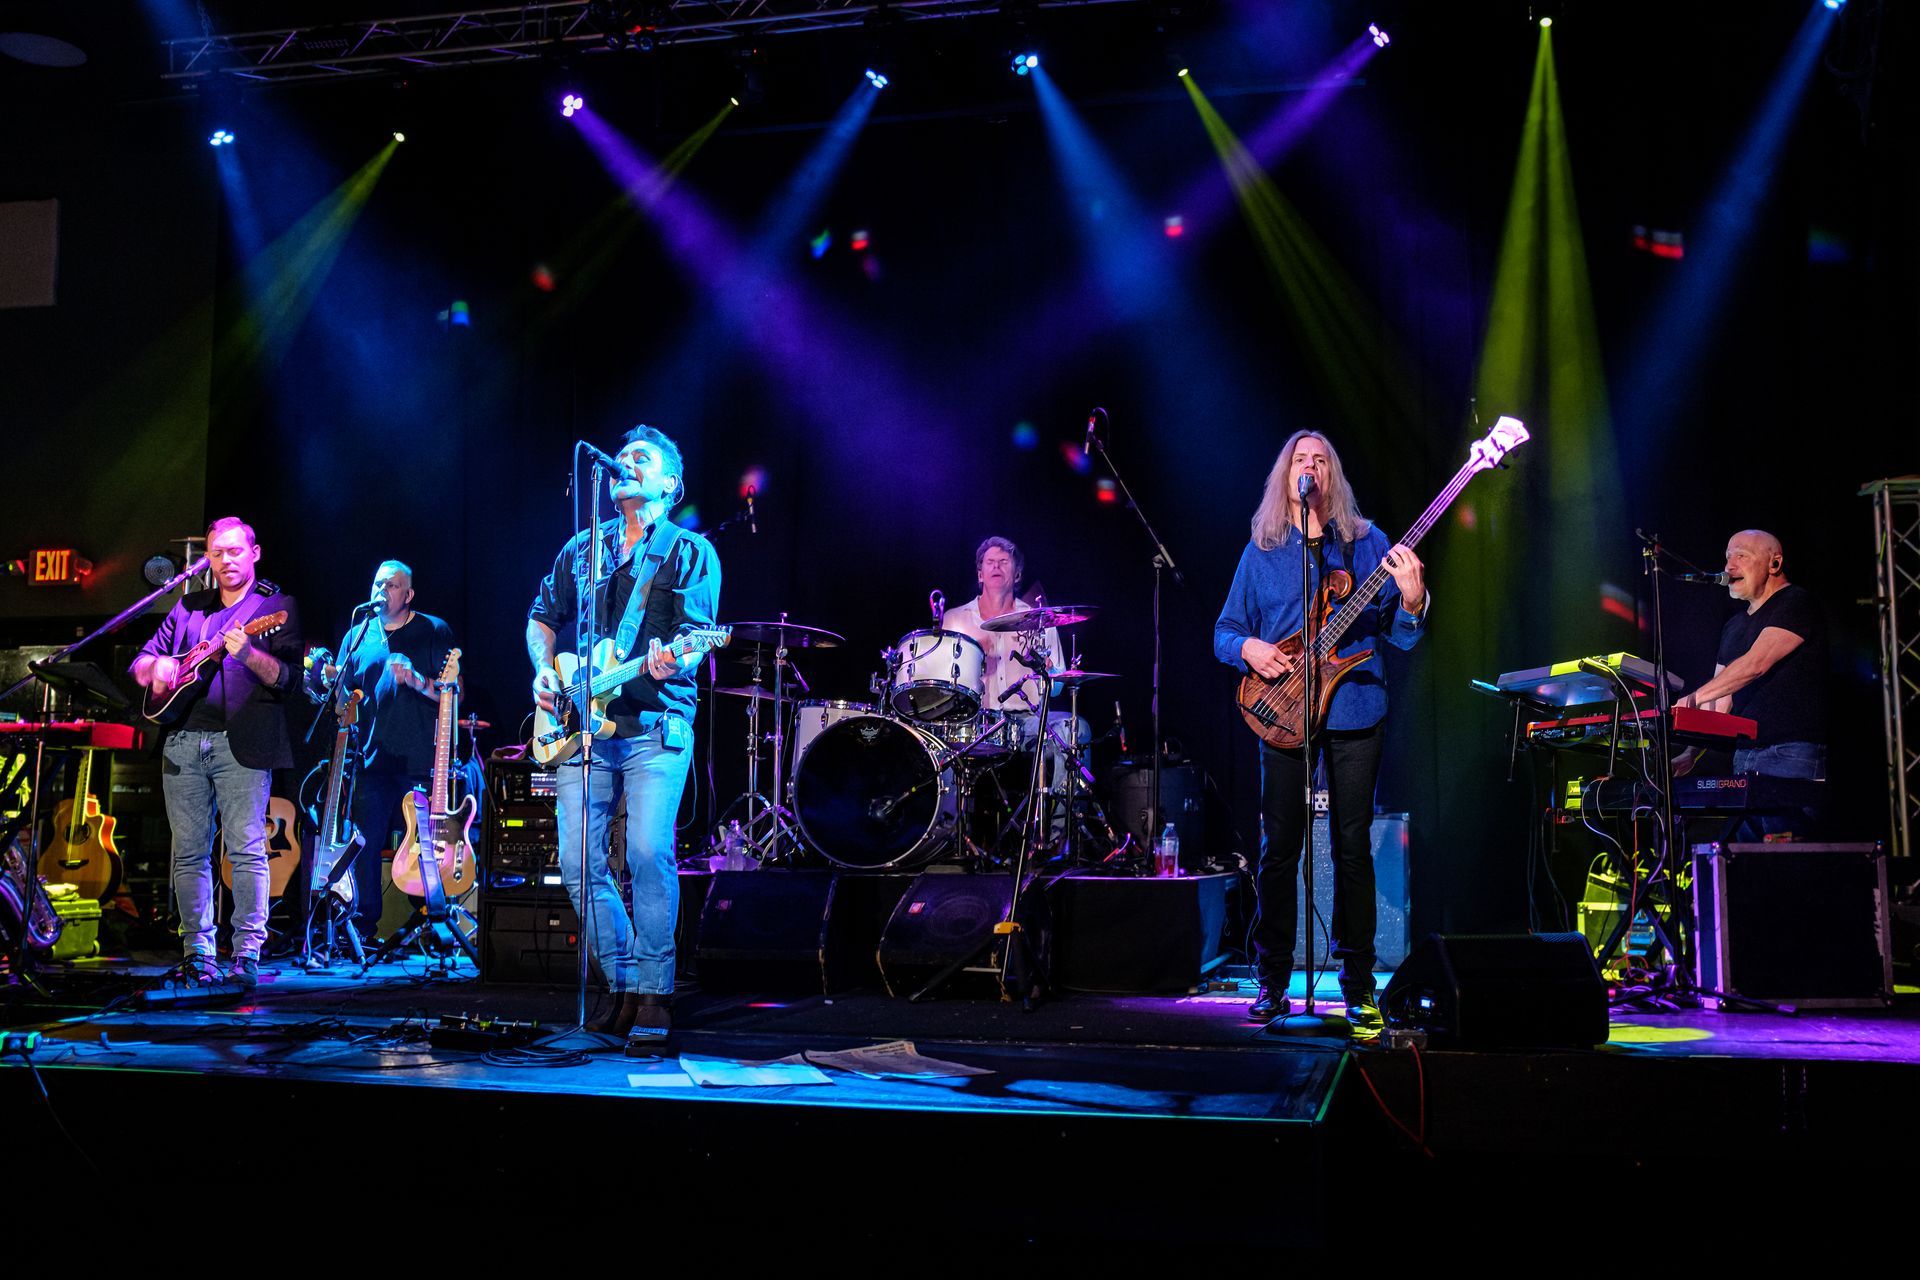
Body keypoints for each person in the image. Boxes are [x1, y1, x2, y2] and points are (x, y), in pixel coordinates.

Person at [1213, 432, 1428, 1032]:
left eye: (1321, 461)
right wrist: (1250, 648)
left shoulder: (1368, 544)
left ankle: (1358, 984)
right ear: (1286, 478)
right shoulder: (1262, 550)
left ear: (1333, 477)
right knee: (1279, 850)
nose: (1310, 468)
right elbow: (1224, 630)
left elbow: (1401, 636)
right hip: (1281, 710)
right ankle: (1273, 980)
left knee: (1352, 848)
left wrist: (1412, 602)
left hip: (1356, 707)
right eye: (1299, 461)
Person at [527, 426, 719, 1044]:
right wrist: (544, 672)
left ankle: (657, 993)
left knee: (645, 855)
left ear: (671, 484)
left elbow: (697, 640)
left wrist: (676, 659)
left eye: (644, 459)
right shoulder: (581, 549)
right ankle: (623, 981)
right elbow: (540, 619)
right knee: (579, 866)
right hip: (582, 730)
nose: (627, 464)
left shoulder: (689, 552)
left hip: (656, 726)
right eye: (624, 457)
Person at [131, 517, 302, 990]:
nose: (226, 560)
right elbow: (141, 660)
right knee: (188, 854)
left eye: (235, 551)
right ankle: (197, 953)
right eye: (217, 553)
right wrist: (158, 666)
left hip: (241, 745)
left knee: (246, 850)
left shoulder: (275, 608)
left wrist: (248, 653)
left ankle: (247, 952)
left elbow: (289, 680)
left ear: (255, 552)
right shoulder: (188, 607)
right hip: (182, 741)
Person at [329, 560, 460, 942]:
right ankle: (365, 928)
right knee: (364, 846)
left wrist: (417, 680)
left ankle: (433, 926)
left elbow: (455, 694)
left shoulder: (433, 630)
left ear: (408, 594)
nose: (381, 590)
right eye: (377, 583)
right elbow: (343, 699)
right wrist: (326, 684)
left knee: (426, 849)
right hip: (371, 760)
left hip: (421, 762)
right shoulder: (357, 635)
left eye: (391, 584)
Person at [1676, 529, 1827, 833]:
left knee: (1786, 862)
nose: (1729, 566)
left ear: (1774, 563)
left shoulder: (1795, 602)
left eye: (1741, 556)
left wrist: (1692, 699)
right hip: (1744, 757)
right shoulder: (1734, 625)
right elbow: (1721, 704)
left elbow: (1754, 665)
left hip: (1789, 754)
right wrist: (1690, 753)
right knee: (1748, 864)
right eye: (1727, 556)